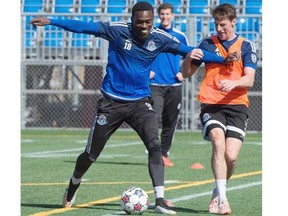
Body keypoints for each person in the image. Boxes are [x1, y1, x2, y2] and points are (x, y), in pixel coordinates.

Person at [30, 2, 237, 215]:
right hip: (111, 103)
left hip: (140, 103)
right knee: (91, 154)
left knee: (154, 145)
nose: (144, 26)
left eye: (148, 21)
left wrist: (222, 60)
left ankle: (159, 200)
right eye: (140, 22)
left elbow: (192, 52)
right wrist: (52, 21)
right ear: (132, 20)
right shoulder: (117, 30)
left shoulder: (160, 38)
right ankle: (73, 184)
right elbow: (84, 26)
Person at [181, 3, 257, 215]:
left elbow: (250, 79)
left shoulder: (245, 45)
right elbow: (187, 73)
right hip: (211, 103)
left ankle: (218, 190)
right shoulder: (206, 43)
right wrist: (188, 57)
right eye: (216, 24)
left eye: (223, 24)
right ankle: (223, 200)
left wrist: (234, 83)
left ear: (233, 22)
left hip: (237, 105)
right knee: (217, 140)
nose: (219, 28)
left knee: (231, 157)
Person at [149, 3, 188, 167]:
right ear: (159, 16)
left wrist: (184, 73)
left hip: (174, 85)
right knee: (153, 119)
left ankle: (164, 154)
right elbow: (142, 53)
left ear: (173, 16)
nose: (165, 17)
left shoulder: (180, 36)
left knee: (170, 121)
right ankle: (153, 153)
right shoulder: (152, 33)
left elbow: (190, 55)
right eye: (162, 14)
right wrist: (147, 71)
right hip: (154, 84)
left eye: (168, 14)